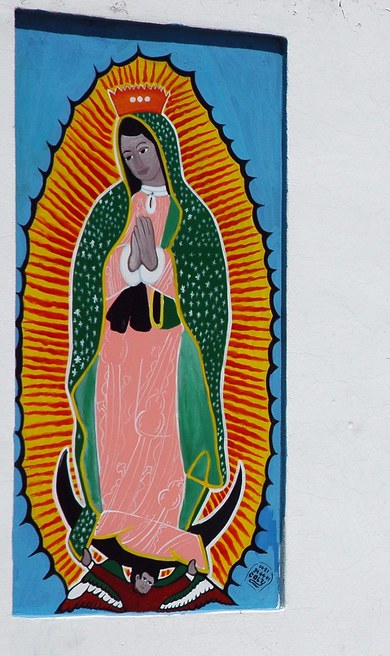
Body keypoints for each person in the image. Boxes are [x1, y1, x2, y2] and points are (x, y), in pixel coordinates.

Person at [65, 86, 231, 576]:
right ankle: (116, 516)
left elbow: (204, 293)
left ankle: (160, 527)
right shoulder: (112, 210)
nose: (136, 161)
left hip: (166, 346)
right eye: (127, 153)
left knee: (161, 436)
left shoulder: (193, 215)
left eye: (144, 150)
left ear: (164, 149)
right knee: (116, 433)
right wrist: (126, 264)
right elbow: (93, 276)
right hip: (118, 346)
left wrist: (156, 264)